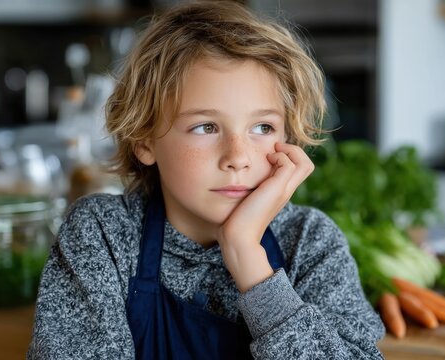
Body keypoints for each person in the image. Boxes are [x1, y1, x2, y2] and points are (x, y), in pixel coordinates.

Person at [27, 1, 385, 359]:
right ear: (144, 140)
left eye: (263, 127)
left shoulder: (309, 243)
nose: (238, 157)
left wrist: (249, 259)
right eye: (205, 127)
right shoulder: (101, 235)